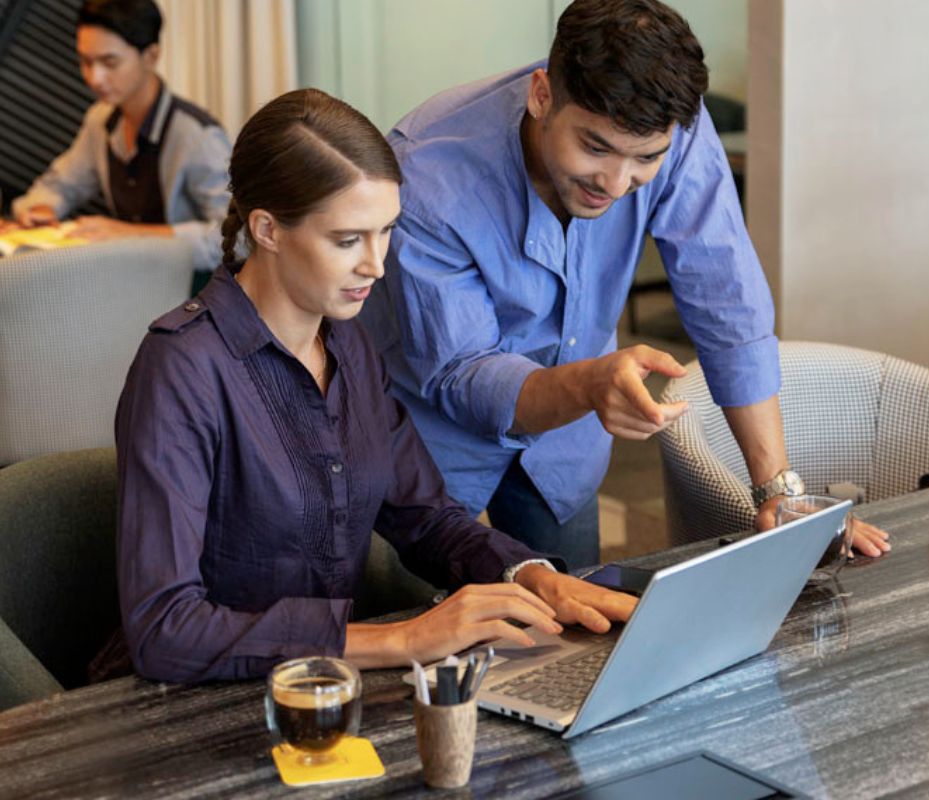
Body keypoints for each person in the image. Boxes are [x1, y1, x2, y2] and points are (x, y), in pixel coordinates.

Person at [115, 88, 635, 684]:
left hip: (334, 686)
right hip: (205, 706)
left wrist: (529, 575)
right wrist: (405, 638)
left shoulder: (348, 344)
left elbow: (426, 516)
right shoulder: (182, 368)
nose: (377, 265)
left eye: (386, 231)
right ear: (267, 229)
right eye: (347, 240)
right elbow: (164, 632)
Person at [362, 0, 890, 569]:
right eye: (595, 147)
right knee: (418, 623)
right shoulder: (428, 174)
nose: (615, 183)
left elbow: (727, 303)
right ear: (542, 96)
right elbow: (462, 375)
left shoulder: (673, 129)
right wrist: (590, 386)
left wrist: (778, 493)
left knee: (575, 624)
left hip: (563, 447)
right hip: (427, 448)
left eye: (644, 159)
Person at [11, 0, 230, 270]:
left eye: (109, 62)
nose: (94, 78)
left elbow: (237, 238)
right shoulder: (100, 120)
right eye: (85, 62)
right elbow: (63, 183)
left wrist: (131, 234)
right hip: (130, 281)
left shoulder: (198, 135)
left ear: (151, 56)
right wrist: (43, 208)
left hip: (191, 295)